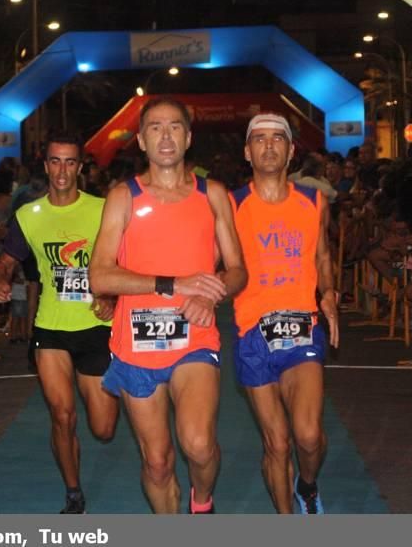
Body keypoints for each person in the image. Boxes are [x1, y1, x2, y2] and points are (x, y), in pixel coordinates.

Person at [89, 97, 246, 514]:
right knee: (157, 462)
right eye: (155, 127)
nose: (165, 135)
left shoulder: (213, 194)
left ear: (188, 137)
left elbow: (237, 271)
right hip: (134, 344)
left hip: (194, 337)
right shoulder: (122, 197)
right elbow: (99, 276)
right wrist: (173, 284)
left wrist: (210, 293)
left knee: (198, 444)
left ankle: (203, 502)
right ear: (140, 140)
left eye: (174, 126)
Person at [0, 132, 119, 514]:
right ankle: (73, 491)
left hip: (97, 328)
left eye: (70, 162)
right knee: (62, 414)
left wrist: (113, 297)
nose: (62, 170)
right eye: (55, 161)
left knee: (104, 429)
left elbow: (127, 261)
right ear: (46, 166)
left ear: (80, 167)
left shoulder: (103, 209)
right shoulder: (29, 215)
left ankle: (77, 468)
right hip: (50, 328)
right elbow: (8, 260)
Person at [230, 113, 339, 514]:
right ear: (247, 151)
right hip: (252, 333)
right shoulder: (231, 205)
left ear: (292, 150)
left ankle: (307, 485)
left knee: (308, 437)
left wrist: (327, 292)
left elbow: (323, 255)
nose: (269, 146)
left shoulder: (314, 201)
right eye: (259, 139)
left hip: (303, 327)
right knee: (276, 442)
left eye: (278, 139)